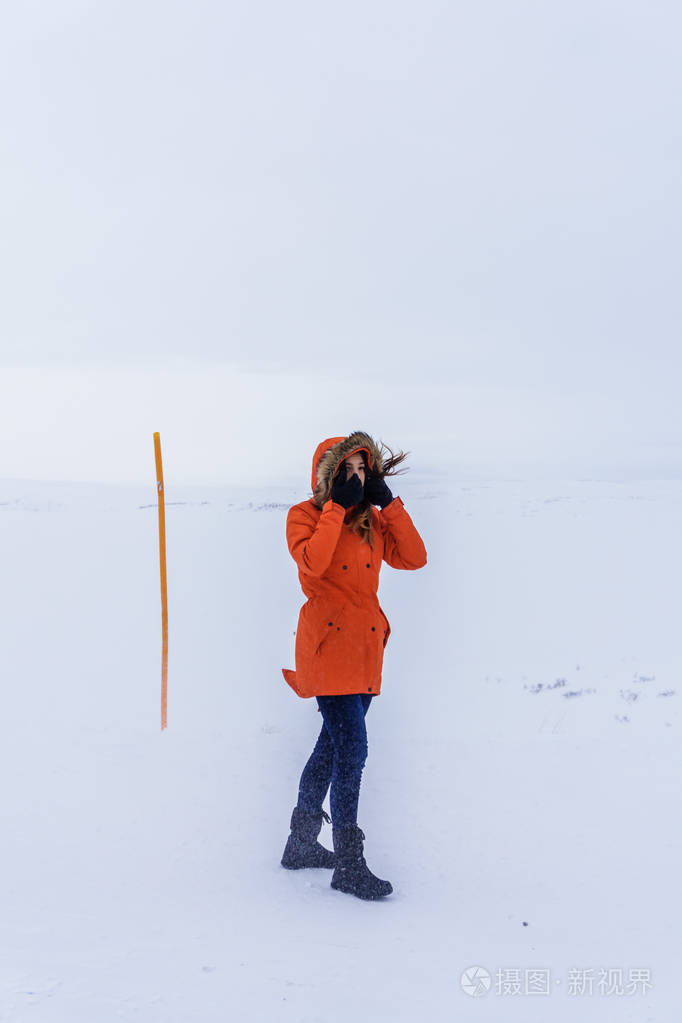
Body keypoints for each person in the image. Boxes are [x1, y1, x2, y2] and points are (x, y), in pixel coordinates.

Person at [280, 430, 427, 900]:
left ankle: (301, 843)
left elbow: (415, 558)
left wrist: (388, 504)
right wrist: (336, 509)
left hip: (365, 649)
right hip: (327, 648)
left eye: (364, 470)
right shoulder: (304, 516)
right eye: (346, 470)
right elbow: (314, 564)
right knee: (353, 750)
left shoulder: (371, 521)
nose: (356, 478)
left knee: (332, 748)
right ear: (326, 475)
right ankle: (348, 862)